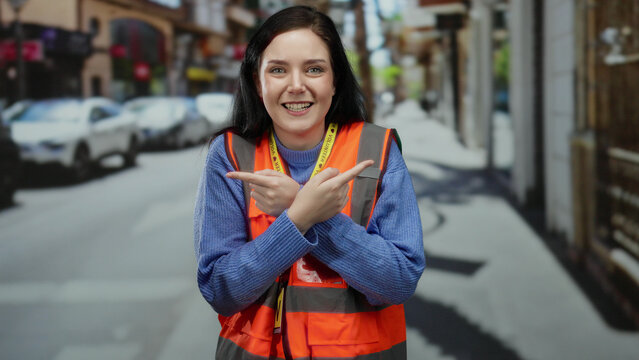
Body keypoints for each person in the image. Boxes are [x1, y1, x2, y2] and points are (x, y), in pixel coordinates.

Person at [194, 6, 424, 359]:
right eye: (278, 70)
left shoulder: (377, 150)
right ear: (258, 83)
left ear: (334, 81)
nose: (296, 85)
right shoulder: (229, 155)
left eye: (314, 69)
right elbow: (221, 290)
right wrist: (298, 219)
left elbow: (398, 281)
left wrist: (312, 214)